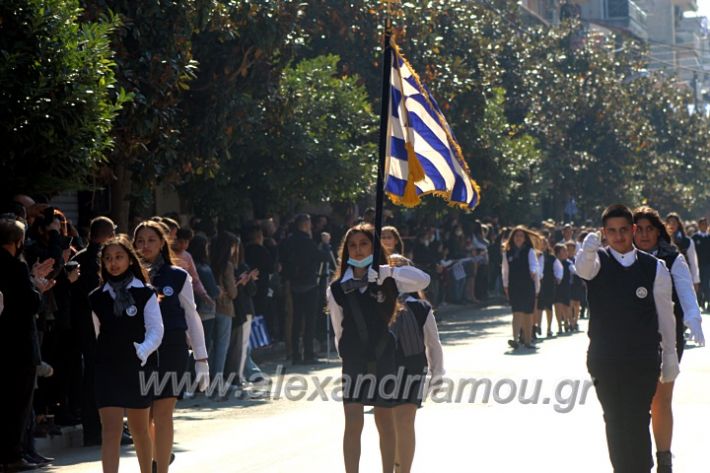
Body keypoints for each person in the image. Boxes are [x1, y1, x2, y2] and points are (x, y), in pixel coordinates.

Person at [576, 204, 679, 473]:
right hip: (604, 359)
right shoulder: (597, 261)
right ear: (604, 233)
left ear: (633, 230)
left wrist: (670, 357)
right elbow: (583, 270)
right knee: (614, 420)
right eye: (611, 231)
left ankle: (641, 468)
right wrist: (587, 248)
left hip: (641, 360)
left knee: (635, 418)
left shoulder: (653, 267)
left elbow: (666, 316)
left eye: (623, 230)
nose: (618, 236)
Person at [326, 223, 430, 473]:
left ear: (374, 247)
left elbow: (423, 280)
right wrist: (348, 356)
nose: (358, 250)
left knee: (385, 421)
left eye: (364, 244)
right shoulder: (337, 288)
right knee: (352, 421)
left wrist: (386, 272)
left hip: (384, 356)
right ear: (346, 251)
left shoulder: (388, 279)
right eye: (353, 245)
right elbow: (338, 328)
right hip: (354, 358)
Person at [632, 206, 705, 472]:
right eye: (638, 229)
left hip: (667, 339)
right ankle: (638, 456)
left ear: (658, 231)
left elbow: (685, 290)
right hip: (630, 339)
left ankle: (664, 458)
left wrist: (693, 318)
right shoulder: (620, 258)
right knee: (636, 401)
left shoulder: (672, 257)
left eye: (649, 229)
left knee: (661, 399)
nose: (643, 234)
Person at [133, 221, 210, 473]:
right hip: (139, 351)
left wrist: (201, 359)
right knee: (145, 417)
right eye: (140, 241)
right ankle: (153, 459)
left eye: (151, 240)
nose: (145, 246)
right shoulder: (127, 277)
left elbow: (191, 316)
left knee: (163, 413)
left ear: (162, 243)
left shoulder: (178, 275)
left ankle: (161, 467)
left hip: (172, 348)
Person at [89, 236, 164, 473]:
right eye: (108, 258)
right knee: (110, 431)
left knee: (140, 430)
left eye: (119, 257)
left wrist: (141, 351)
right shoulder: (96, 297)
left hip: (138, 367)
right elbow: (97, 332)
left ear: (130, 260)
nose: (113, 263)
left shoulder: (146, 293)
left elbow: (156, 330)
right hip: (107, 368)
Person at [387, 256, 444, 473]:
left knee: (405, 422)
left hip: (412, 367)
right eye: (392, 270)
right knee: (389, 425)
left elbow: (433, 342)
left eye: (402, 271)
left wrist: (437, 373)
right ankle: (392, 466)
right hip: (384, 368)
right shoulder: (376, 304)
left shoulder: (421, 307)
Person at [0, 218, 44, 472]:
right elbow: (31, 304)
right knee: (17, 405)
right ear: (18, 242)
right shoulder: (17, 268)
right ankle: (12, 455)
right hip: (18, 347)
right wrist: (37, 286)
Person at [71, 216, 116, 446]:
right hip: (101, 326)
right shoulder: (106, 259)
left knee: (90, 377)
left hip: (82, 326)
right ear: (109, 234)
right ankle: (104, 429)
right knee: (102, 378)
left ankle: (95, 429)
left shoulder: (79, 258)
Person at [280, 214, 329, 364]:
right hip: (309, 283)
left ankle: (295, 354)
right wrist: (326, 244)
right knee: (309, 320)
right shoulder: (307, 242)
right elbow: (323, 257)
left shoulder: (288, 241)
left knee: (296, 320)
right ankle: (308, 353)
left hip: (294, 284)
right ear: (305, 224)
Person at [501, 226, 540, 350]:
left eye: (521, 236)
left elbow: (534, 265)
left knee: (528, 314)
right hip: (514, 286)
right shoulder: (507, 253)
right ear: (512, 238)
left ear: (524, 239)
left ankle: (528, 340)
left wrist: (533, 272)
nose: (518, 238)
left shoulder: (529, 251)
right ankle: (515, 339)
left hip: (527, 285)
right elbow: (505, 270)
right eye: (516, 236)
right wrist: (505, 285)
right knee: (516, 312)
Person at [209, 231, 240, 385]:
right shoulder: (227, 265)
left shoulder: (208, 262)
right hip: (225, 307)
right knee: (222, 346)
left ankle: (206, 379)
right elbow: (233, 293)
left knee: (210, 345)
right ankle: (218, 379)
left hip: (208, 308)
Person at [665, 213, 700, 293]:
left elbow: (693, 262)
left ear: (678, 224)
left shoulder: (687, 241)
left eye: (674, 222)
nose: (671, 225)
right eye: (669, 222)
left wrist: (695, 281)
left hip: (683, 277)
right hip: (666, 279)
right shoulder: (662, 241)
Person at [537, 238, 557, 338]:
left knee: (548, 307)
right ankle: (538, 326)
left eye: (544, 243)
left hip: (549, 284)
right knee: (539, 307)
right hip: (538, 284)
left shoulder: (551, 257)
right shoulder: (535, 255)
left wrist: (558, 277)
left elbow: (558, 268)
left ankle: (549, 328)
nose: (542, 245)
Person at [552, 243, 572, 335]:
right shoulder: (554, 262)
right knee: (558, 306)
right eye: (563, 250)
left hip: (566, 287)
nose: (566, 252)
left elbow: (575, 271)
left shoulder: (569, 263)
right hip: (556, 287)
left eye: (566, 250)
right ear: (558, 252)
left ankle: (567, 322)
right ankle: (559, 326)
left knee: (566, 306)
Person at [691, 217, 710, 311]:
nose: (705, 226)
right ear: (699, 226)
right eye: (702, 224)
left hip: (707, 265)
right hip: (697, 265)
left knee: (707, 284)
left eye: (706, 224)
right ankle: (700, 301)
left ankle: (708, 302)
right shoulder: (694, 238)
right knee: (699, 284)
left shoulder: (709, 237)